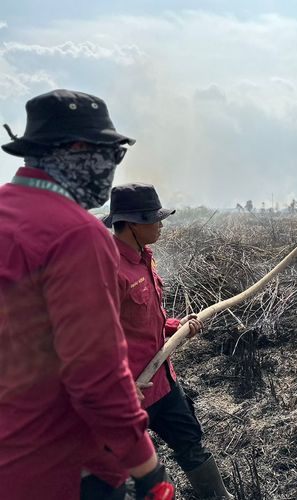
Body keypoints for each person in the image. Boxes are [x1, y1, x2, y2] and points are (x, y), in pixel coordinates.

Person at [0, 90, 171, 499]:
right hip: (54, 466)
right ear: (77, 151)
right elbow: (94, 376)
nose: (112, 169)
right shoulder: (75, 232)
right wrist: (148, 470)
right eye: (112, 155)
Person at [83, 183, 233, 499]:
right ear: (133, 224)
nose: (161, 225)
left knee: (191, 444)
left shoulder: (144, 258)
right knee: (117, 473)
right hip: (129, 394)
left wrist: (176, 326)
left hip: (163, 383)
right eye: (155, 218)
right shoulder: (107, 269)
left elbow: (145, 319)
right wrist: (115, 387)